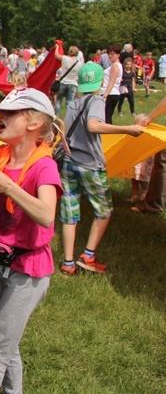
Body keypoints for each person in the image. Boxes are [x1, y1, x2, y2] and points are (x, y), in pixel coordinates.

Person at [0, 87, 63, 393]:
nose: (0, 118)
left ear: (33, 123)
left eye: (9, 113)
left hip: (29, 270)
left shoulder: (44, 166)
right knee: (6, 343)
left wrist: (9, 188)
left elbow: (47, 215)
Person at [59, 62, 144, 276]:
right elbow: (93, 125)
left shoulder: (73, 103)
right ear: (100, 83)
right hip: (89, 164)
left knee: (70, 212)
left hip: (68, 163)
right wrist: (127, 129)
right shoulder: (96, 100)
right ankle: (88, 255)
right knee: (104, 210)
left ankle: (68, 264)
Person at [54, 45, 83, 115]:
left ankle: (56, 117)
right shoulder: (80, 63)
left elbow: (56, 55)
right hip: (73, 84)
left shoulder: (65, 58)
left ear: (70, 52)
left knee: (58, 101)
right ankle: (68, 119)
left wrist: (57, 47)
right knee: (69, 102)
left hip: (63, 82)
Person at [99, 45, 122, 124]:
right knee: (107, 117)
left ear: (118, 55)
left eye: (112, 54)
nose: (110, 55)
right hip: (112, 93)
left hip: (110, 93)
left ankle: (107, 135)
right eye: (109, 53)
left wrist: (105, 95)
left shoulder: (115, 65)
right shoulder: (116, 65)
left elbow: (112, 81)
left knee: (106, 118)